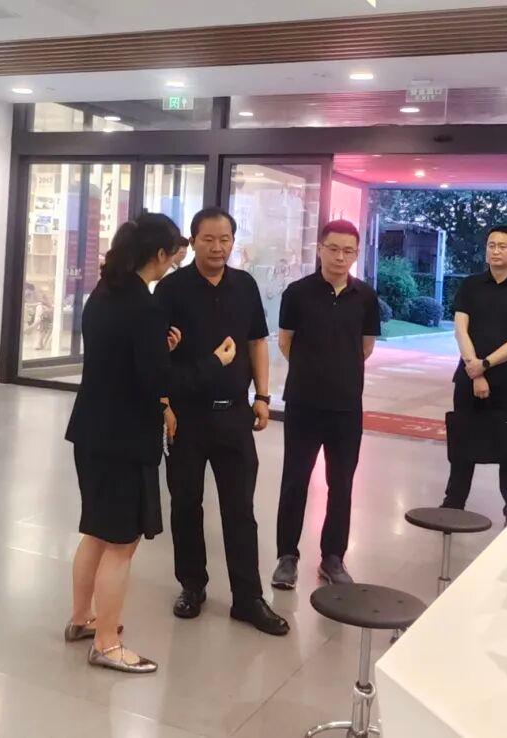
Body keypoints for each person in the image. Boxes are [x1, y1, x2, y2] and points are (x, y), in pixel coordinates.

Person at [64, 212, 234, 673]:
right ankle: (106, 643)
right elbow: (158, 381)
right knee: (121, 544)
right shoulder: (145, 306)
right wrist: (214, 363)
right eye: (174, 254)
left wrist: (162, 348)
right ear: (158, 254)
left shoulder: (104, 293)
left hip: (90, 430)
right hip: (125, 438)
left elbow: (123, 359)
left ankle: (81, 618)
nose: (175, 262)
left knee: (95, 531)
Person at [155, 207, 289, 636]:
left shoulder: (245, 285)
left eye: (225, 239)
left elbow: (257, 342)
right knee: (185, 504)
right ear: (193, 241)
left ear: (233, 241)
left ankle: (247, 598)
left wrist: (263, 396)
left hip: (234, 414)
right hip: (186, 418)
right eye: (208, 239)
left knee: (240, 509)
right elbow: (155, 355)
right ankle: (192, 585)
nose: (217, 247)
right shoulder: (171, 289)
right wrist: (164, 404)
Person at [271, 220, 381, 590]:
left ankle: (333, 557)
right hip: (303, 403)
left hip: (346, 406)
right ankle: (287, 557)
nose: (340, 257)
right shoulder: (297, 293)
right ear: (320, 249)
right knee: (295, 480)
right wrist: (313, 371)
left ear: (356, 254)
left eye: (348, 251)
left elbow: (365, 347)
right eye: (333, 249)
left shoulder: (365, 297)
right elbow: (285, 342)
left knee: (342, 483)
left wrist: (339, 373)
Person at [440, 225, 507, 523]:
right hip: (468, 380)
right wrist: (474, 370)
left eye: (503, 246)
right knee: (462, 445)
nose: (496, 251)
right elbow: (460, 330)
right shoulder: (471, 285)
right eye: (491, 245)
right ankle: (453, 505)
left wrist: (484, 365)